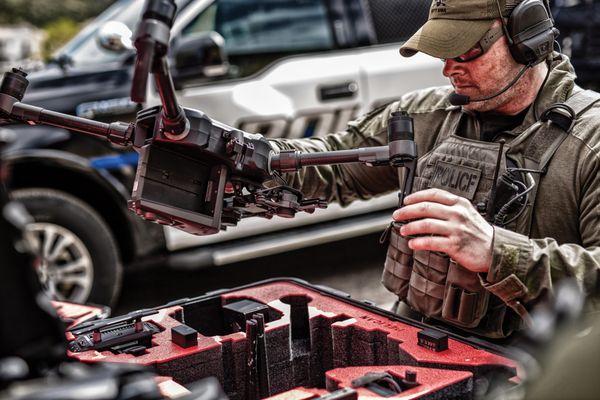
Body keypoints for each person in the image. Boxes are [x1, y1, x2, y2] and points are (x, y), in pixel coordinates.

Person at [269, 0, 600, 339]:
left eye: (465, 51)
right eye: (444, 54)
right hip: (416, 350)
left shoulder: (591, 140)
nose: (449, 69)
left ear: (527, 38)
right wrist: (252, 157)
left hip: (528, 376)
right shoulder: (426, 116)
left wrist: (495, 252)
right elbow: (334, 162)